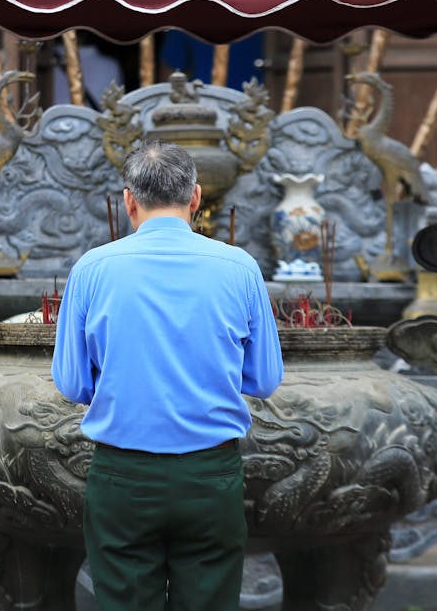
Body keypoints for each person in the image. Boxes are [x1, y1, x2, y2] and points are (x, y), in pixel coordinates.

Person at [52, 140, 284, 611]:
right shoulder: (239, 268)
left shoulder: (92, 269)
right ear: (196, 198)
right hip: (210, 475)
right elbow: (263, 380)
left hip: (122, 474)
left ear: (128, 201)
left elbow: (73, 384)